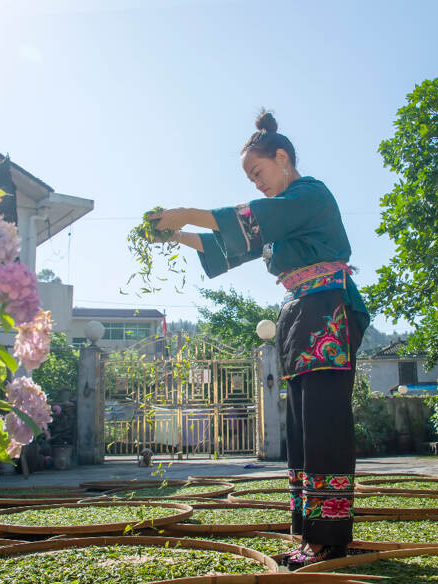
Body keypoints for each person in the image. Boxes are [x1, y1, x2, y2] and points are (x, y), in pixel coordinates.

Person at [150, 110, 369, 567]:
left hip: (328, 307)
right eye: (250, 178)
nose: (256, 183)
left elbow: (249, 221)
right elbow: (238, 244)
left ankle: (330, 540)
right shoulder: (281, 218)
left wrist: (186, 212)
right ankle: (311, 535)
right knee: (303, 429)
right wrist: (178, 235)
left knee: (325, 423)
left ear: (283, 157)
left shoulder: (309, 195)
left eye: (258, 172)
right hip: (298, 311)